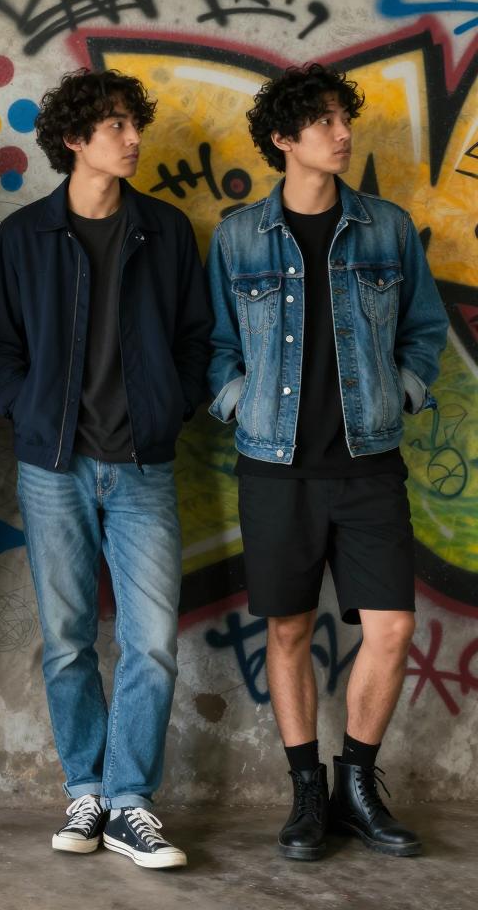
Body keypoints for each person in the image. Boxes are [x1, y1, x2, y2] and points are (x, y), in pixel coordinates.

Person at [205, 63, 448, 860]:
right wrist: (239, 402)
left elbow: (423, 329)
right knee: (288, 629)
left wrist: (399, 393)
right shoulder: (239, 236)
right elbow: (215, 344)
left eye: (346, 120)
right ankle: (307, 791)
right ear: (283, 139)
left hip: (369, 463)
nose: (343, 134)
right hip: (275, 467)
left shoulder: (385, 228)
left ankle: (358, 784)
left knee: (393, 627)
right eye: (324, 123)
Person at [0, 68, 211, 869]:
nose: (133, 138)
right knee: (68, 640)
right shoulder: (24, 237)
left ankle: (130, 802)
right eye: (115, 125)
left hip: (144, 465)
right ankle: (86, 788)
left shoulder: (166, 231)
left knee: (153, 644)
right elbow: (1, 349)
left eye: (133, 124)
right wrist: (28, 409)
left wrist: (173, 405)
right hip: (54, 468)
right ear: (75, 140)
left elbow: (196, 337)